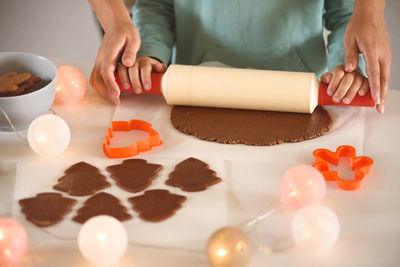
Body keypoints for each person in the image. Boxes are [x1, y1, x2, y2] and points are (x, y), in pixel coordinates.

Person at [89, 0, 391, 113]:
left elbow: (345, 15)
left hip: (301, 93)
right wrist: (151, 52)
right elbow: (158, 6)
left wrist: (347, 63)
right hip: (196, 91)